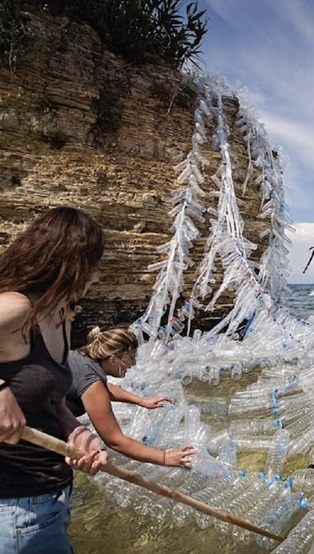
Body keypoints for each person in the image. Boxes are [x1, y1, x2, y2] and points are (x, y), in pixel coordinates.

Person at [0, 207, 108, 552]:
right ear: (72, 262)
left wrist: (76, 432)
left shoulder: (60, 315)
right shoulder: (17, 308)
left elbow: (53, 401)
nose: (97, 274)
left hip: (49, 497)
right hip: (14, 506)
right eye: (94, 262)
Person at [66, 327, 196, 467]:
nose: (133, 364)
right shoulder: (90, 380)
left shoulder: (80, 358)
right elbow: (115, 440)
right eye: (131, 357)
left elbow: (105, 388)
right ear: (114, 359)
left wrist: (141, 401)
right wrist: (164, 457)